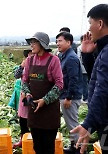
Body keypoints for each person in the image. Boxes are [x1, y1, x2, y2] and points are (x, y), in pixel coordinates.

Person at [71, 4, 108, 154]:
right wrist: (87, 56)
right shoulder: (103, 50)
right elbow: (100, 77)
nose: (89, 29)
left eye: (90, 23)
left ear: (99, 24)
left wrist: (88, 124)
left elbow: (103, 89)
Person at [22, 32, 63, 154]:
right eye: (31, 43)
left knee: (48, 147)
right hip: (34, 110)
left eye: (34, 42)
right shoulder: (29, 60)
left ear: (42, 44)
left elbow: (59, 84)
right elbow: (24, 81)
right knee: (37, 146)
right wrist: (28, 94)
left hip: (49, 111)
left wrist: (45, 100)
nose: (31, 45)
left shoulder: (53, 60)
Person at [56, 31, 83, 153]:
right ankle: (74, 146)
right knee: (70, 122)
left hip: (70, 96)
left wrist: (69, 97)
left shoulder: (71, 58)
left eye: (60, 41)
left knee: (72, 124)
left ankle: (78, 149)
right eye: (57, 41)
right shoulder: (64, 56)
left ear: (68, 42)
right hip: (66, 94)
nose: (57, 44)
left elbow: (74, 79)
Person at [13, 49, 32, 148]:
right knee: (23, 119)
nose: (30, 56)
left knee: (34, 119)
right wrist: (21, 66)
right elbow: (16, 75)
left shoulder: (39, 64)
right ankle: (23, 140)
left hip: (34, 95)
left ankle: (32, 141)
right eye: (29, 54)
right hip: (23, 95)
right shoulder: (24, 65)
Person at [77, 35, 88, 102]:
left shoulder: (80, 47)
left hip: (82, 69)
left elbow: (78, 58)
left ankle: (85, 97)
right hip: (88, 68)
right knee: (88, 83)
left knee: (83, 83)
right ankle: (87, 96)